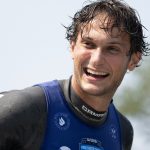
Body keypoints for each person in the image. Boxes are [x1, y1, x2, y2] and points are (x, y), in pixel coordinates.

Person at [0, 0, 149, 150]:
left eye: (112, 49)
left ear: (133, 60)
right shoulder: (24, 107)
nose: (96, 60)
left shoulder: (122, 130)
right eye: (88, 44)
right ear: (72, 47)